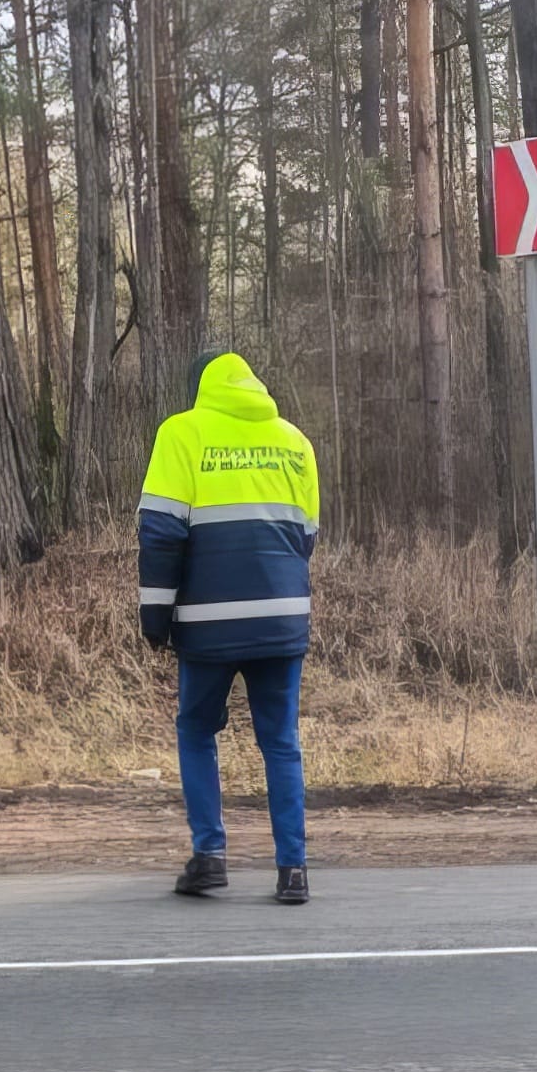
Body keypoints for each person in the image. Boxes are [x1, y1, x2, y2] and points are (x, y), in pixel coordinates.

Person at [138, 350, 321, 904]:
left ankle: (210, 856)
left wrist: (155, 615)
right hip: (281, 617)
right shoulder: (295, 441)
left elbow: (161, 535)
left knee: (196, 729)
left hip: (208, 622)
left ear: (200, 389)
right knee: (280, 741)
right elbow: (307, 536)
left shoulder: (182, 433)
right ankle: (293, 870)